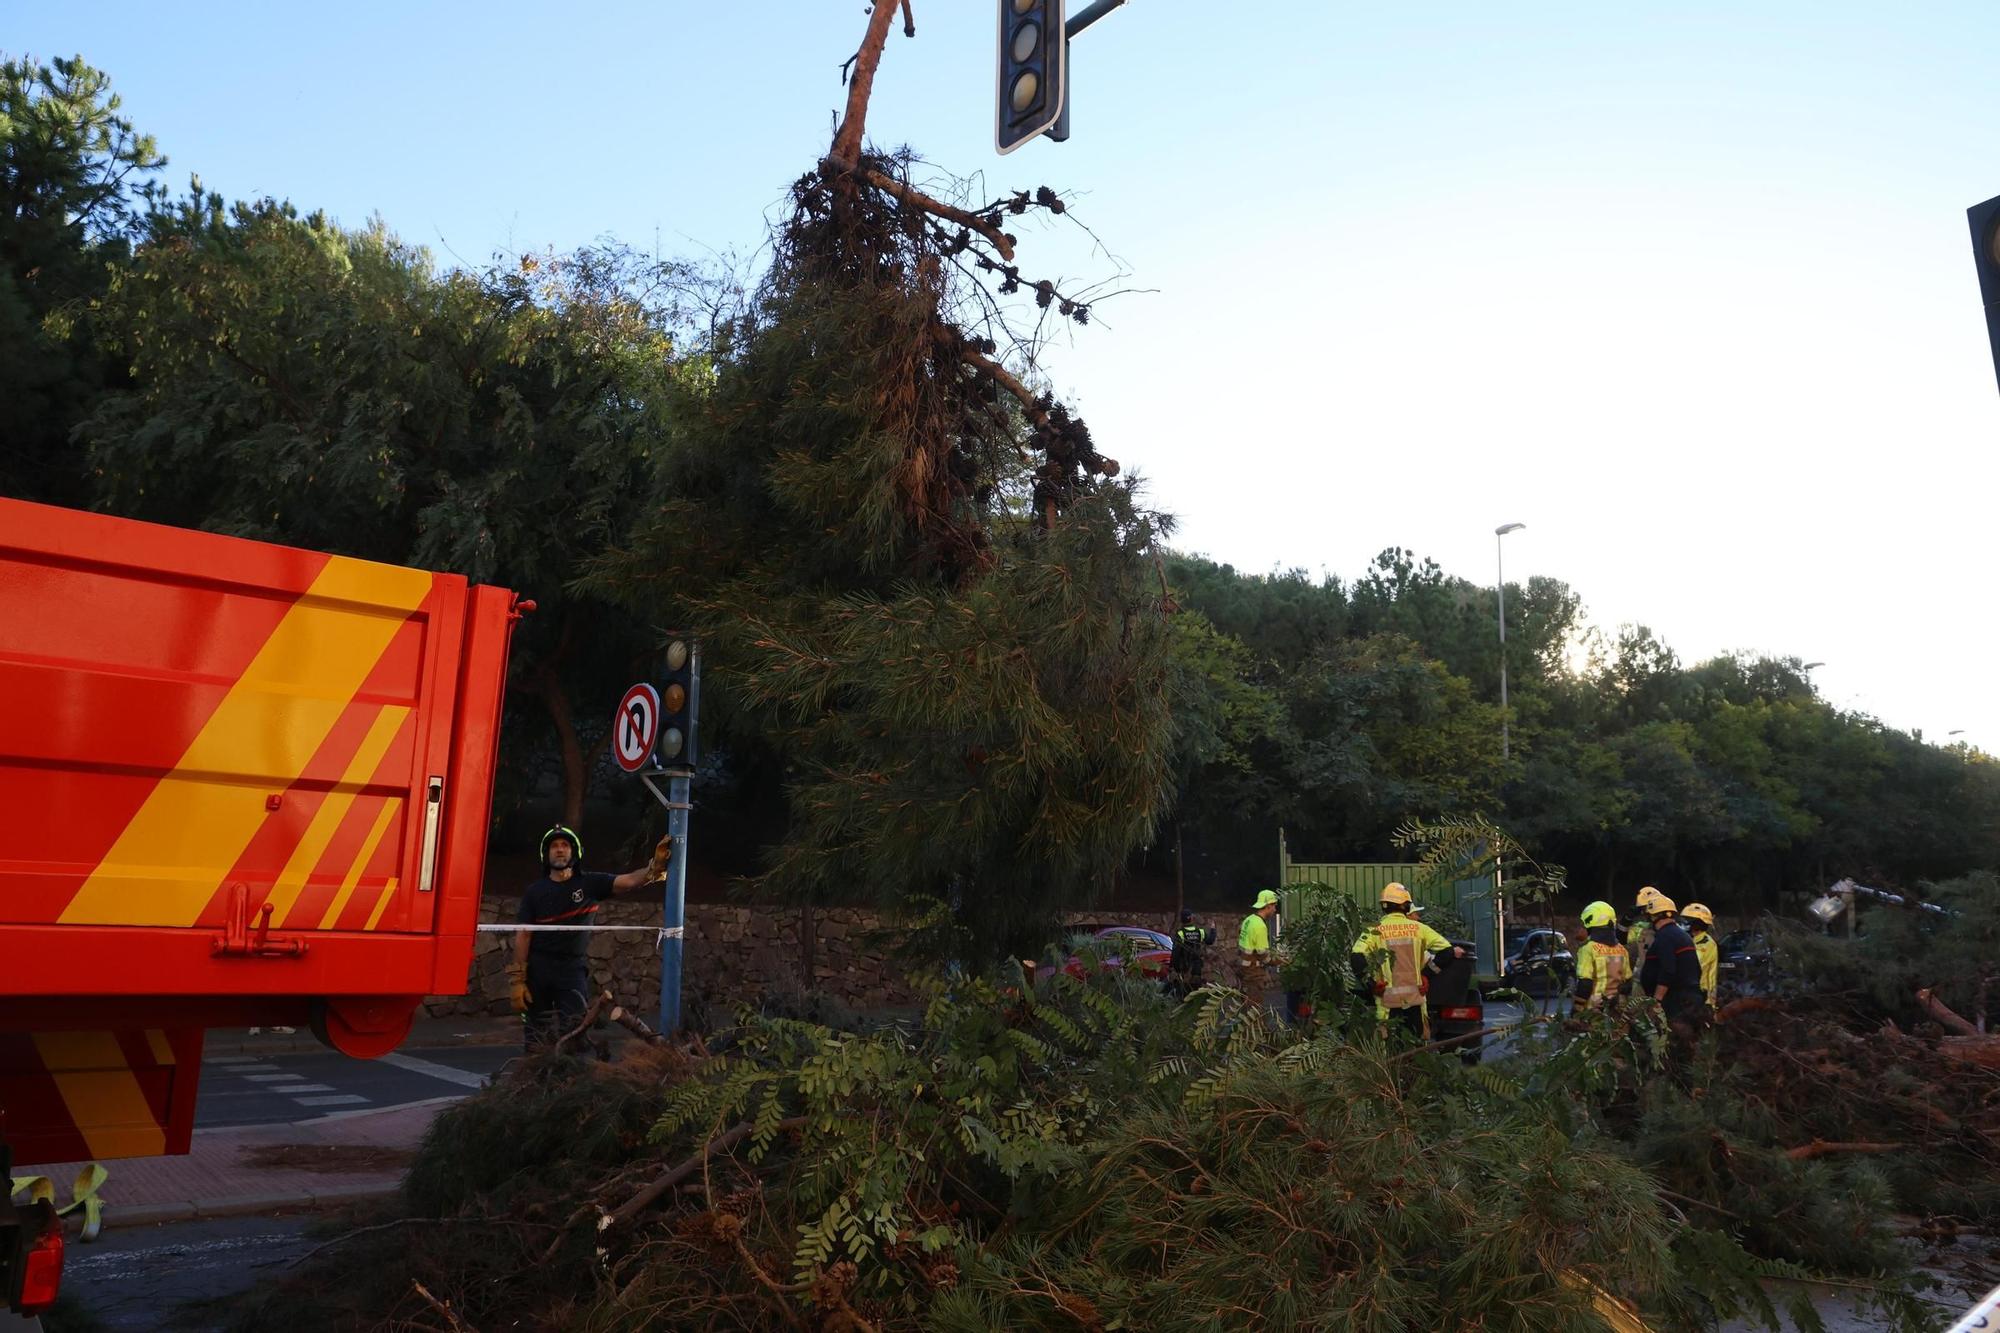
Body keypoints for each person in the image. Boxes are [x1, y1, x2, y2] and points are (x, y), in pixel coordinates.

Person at [512, 824, 671, 1050]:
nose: (559, 850)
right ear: (545, 854)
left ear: (574, 853)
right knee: (537, 1036)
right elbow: (523, 936)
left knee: (575, 1030)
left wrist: (655, 867)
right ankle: (538, 1081)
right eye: (554, 846)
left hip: (571, 969)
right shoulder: (534, 892)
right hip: (538, 970)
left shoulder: (589, 884)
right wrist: (518, 979)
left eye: (565, 845)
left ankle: (571, 1080)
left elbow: (629, 881)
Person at [1351, 883, 1465, 1042]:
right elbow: (1447, 952)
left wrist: (1371, 984)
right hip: (1415, 1003)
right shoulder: (1419, 929)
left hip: (1387, 1006)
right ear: (1406, 906)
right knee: (1416, 1051)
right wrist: (1426, 975)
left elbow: (1356, 957)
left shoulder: (1373, 931)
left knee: (1389, 1053)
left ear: (1384, 906)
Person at [1637, 895, 1706, 1067]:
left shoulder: (1665, 937)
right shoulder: (1682, 936)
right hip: (1690, 997)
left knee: (1673, 1046)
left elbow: (1668, 969)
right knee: (1686, 1046)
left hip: (1675, 1000)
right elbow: (1697, 969)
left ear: (1654, 916)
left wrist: (1657, 1000)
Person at [1572, 900, 1632, 1010]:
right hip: (1617, 1012)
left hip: (1593, 1013)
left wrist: (1577, 1009)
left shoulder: (1588, 949)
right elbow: (1627, 984)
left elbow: (1585, 984)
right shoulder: (1622, 950)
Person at [1238, 889, 1281, 1006]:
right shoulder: (1260, 926)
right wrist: (1280, 961)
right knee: (1255, 1011)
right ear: (1267, 906)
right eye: (1274, 906)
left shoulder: (1249, 920)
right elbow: (1264, 956)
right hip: (1253, 973)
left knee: (1245, 1008)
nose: (1275, 909)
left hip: (1243, 969)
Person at [1681, 902, 1719, 1013]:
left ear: (1697, 923)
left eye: (1688, 920)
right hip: (1687, 992)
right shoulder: (1690, 940)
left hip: (1700, 994)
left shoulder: (1707, 944)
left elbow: (1693, 965)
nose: (1685, 923)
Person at [1168, 909, 1215, 995]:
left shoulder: (1180, 934)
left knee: (1183, 993)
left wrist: (1174, 967)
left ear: (1182, 920)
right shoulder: (1200, 932)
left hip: (1184, 969)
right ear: (1191, 919)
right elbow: (1210, 941)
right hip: (1196, 969)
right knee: (1195, 993)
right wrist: (1212, 929)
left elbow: (1175, 954)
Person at [1626, 885, 1664, 973]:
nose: (1645, 912)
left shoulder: (1669, 929)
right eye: (1643, 908)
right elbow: (1621, 940)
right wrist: (1626, 919)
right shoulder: (1640, 927)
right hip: (1641, 979)